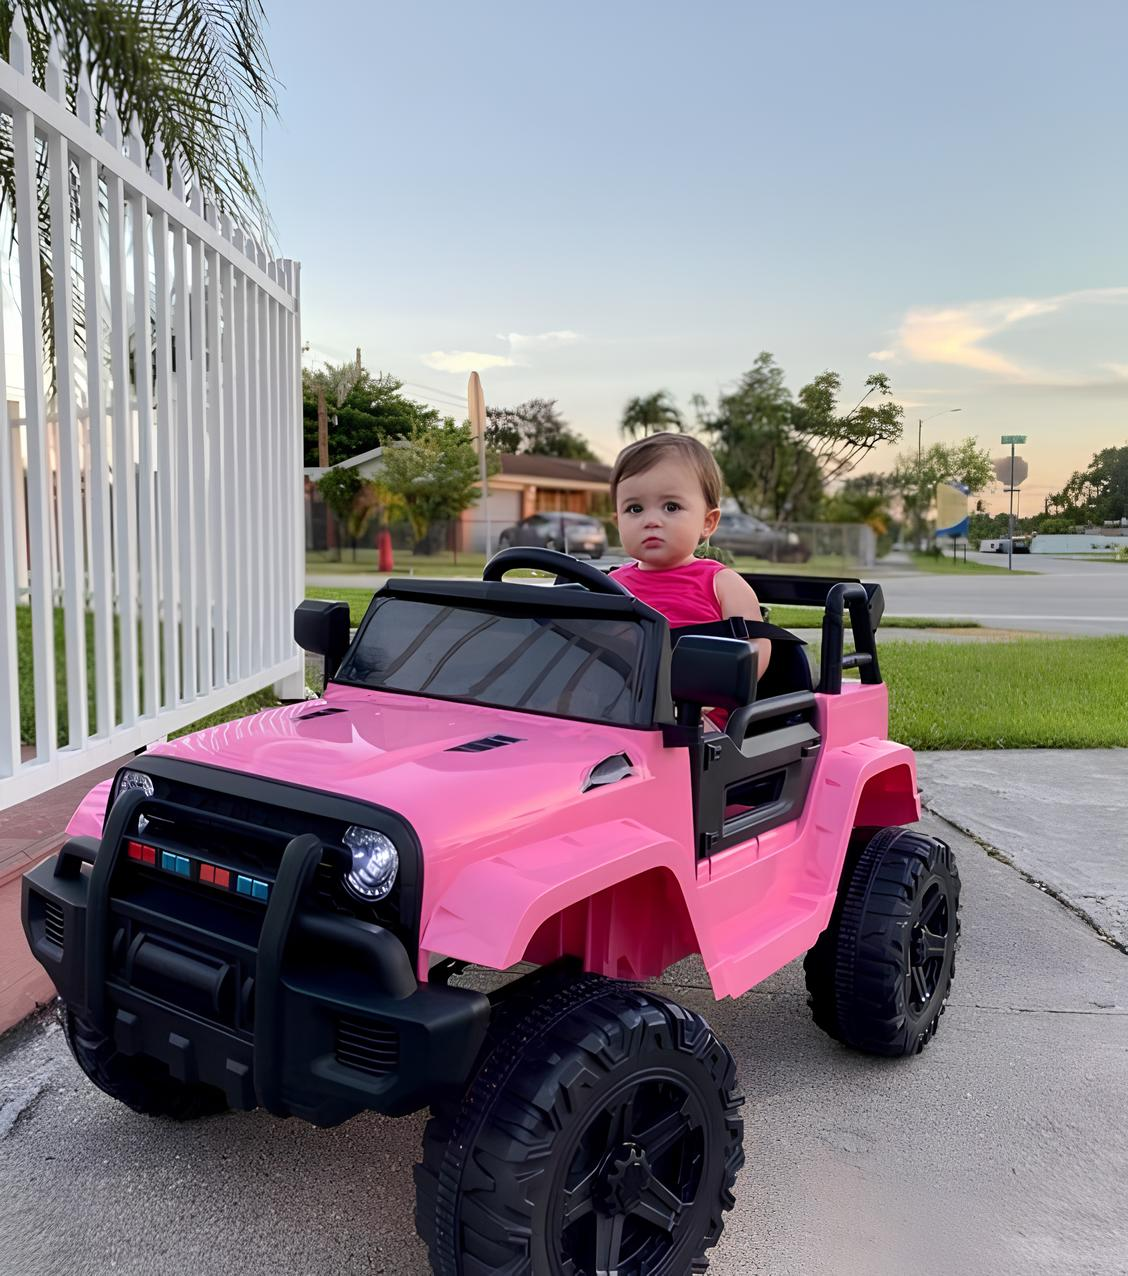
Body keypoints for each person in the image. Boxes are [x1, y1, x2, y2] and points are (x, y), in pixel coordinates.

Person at [609, 432, 772, 681]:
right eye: (635, 509)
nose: (651, 521)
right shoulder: (610, 586)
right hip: (618, 711)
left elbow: (757, 642)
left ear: (707, 522)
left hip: (700, 710)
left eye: (671, 507)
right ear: (617, 521)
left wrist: (723, 688)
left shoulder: (722, 584)